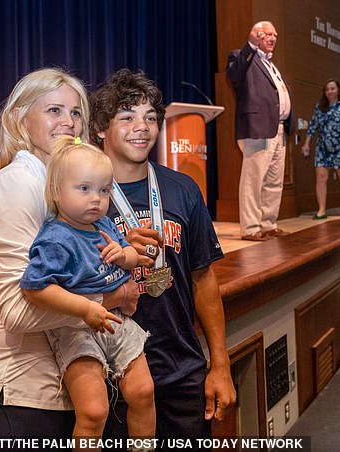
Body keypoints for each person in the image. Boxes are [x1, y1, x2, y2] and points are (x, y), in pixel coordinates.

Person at [0, 68, 140, 442]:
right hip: (13, 400)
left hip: (52, 397)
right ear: (19, 119)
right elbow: (17, 311)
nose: (68, 123)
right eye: (54, 111)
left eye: (76, 113)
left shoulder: (61, 191)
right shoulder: (17, 185)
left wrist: (124, 258)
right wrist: (111, 297)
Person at [89, 69, 236, 447]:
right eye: (127, 117)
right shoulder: (82, 197)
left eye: (150, 117)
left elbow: (204, 279)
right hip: (113, 377)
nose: (142, 127)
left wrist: (219, 364)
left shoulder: (183, 189)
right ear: (101, 128)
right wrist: (119, 246)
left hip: (181, 371)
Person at [20, 136, 155, 445]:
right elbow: (35, 289)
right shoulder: (55, 238)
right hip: (75, 328)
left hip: (115, 321)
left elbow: (132, 257)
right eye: (84, 189)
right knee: (94, 411)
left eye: (104, 190)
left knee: (144, 391)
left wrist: (125, 257)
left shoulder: (104, 225)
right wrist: (84, 308)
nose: (96, 199)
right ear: (56, 191)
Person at [227, 20, 292, 241]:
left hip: (278, 129)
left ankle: (268, 223)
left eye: (275, 35)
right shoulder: (242, 57)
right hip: (256, 128)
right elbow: (235, 75)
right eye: (267, 34)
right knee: (253, 180)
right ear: (256, 36)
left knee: (274, 181)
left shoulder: (272, 65)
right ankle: (251, 227)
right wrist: (250, 46)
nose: (273, 38)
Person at [301, 79, 340, 218]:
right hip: (323, 147)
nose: (330, 91)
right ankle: (321, 210)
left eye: (332, 89)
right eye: (327, 89)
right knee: (321, 178)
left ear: (338, 90)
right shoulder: (320, 107)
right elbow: (313, 126)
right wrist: (306, 143)